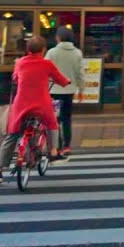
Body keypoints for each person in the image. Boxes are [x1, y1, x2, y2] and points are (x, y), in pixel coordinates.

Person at [0, 36, 70, 186]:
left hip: (21, 104)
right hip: (41, 104)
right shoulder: (47, 64)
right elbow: (60, 80)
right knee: (52, 123)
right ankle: (53, 153)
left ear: (27, 49)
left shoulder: (19, 63)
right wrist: (67, 82)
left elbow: (15, 78)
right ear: (43, 50)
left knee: (12, 134)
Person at [45, 25, 84, 160]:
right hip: (69, 91)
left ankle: (58, 146)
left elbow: (44, 71)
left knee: (54, 119)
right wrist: (81, 89)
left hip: (54, 91)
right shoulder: (77, 53)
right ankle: (67, 145)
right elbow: (80, 74)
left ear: (58, 38)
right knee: (66, 118)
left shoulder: (51, 53)